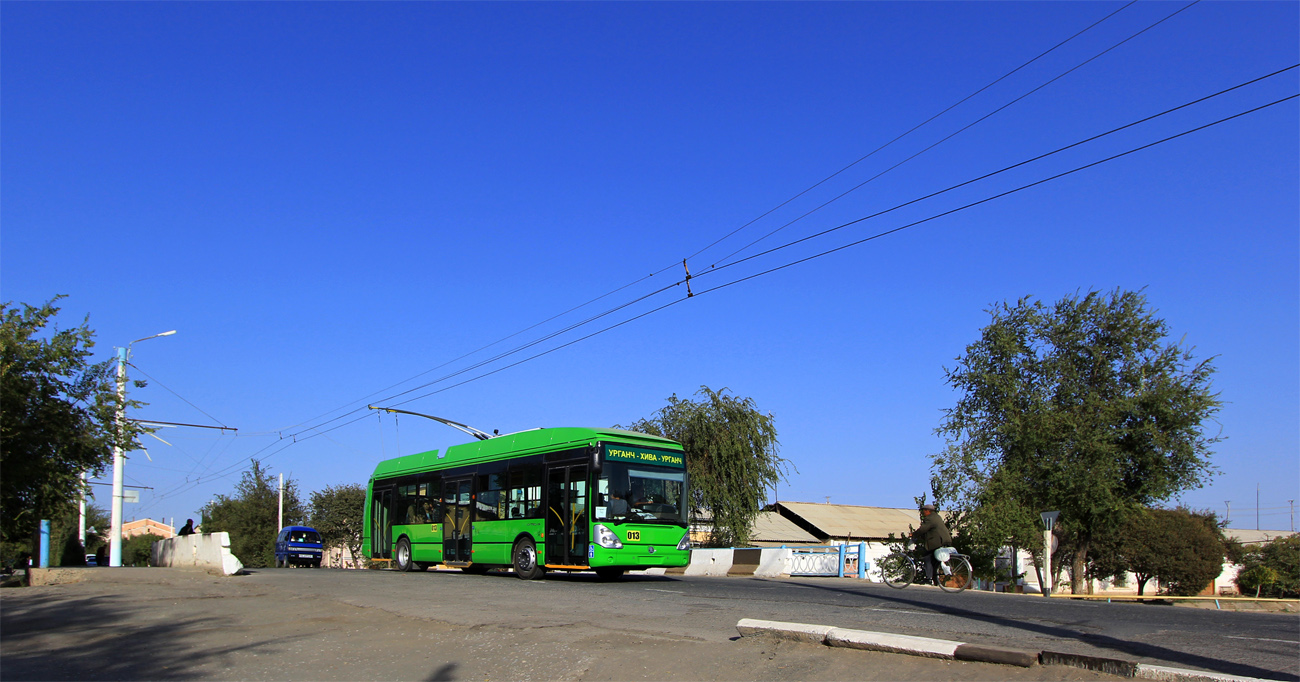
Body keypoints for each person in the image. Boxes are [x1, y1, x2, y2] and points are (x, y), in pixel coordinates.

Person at [912, 504, 952, 585]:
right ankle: (935, 580)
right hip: (945, 540)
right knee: (934, 561)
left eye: (923, 511)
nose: (922, 513)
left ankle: (928, 578)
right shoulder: (937, 517)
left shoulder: (929, 518)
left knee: (927, 557)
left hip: (937, 541)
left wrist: (914, 534)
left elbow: (923, 529)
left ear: (927, 511)